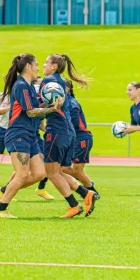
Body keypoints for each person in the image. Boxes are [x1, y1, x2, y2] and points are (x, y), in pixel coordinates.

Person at [0, 53, 63, 219]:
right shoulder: (21, 86)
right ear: (28, 67)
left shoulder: (29, 86)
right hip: (19, 134)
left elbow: (35, 107)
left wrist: (49, 103)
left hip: (30, 136)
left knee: (39, 174)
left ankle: (3, 191)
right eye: (36, 64)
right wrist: (53, 109)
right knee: (22, 174)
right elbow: (30, 112)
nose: (39, 67)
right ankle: (1, 209)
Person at [39, 54, 96, 218]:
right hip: (68, 132)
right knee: (59, 171)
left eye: (45, 63)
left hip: (56, 131)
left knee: (50, 172)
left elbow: (46, 104)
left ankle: (74, 205)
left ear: (54, 66)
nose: (43, 66)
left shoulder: (48, 81)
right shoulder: (60, 82)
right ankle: (87, 194)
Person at [60, 79, 100, 196]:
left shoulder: (71, 104)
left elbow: (74, 123)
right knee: (63, 169)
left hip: (81, 139)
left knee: (76, 170)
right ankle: (86, 184)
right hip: (73, 139)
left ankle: (92, 192)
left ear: (66, 89)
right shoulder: (65, 103)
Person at [32, 76, 53, 200]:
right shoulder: (32, 102)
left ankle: (40, 188)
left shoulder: (43, 102)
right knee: (23, 171)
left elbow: (40, 125)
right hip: (28, 137)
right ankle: (4, 190)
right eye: (40, 85)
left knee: (48, 161)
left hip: (36, 136)